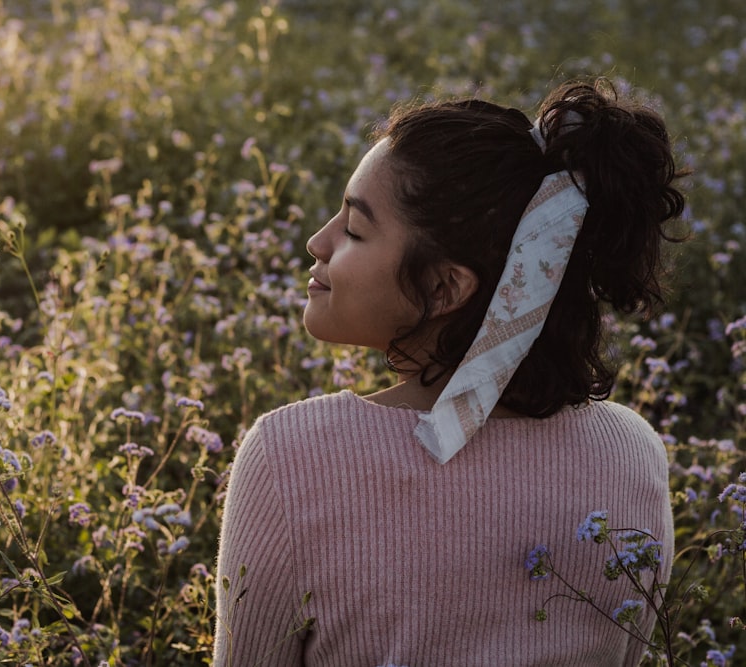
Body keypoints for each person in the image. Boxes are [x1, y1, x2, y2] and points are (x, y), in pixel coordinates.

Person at [213, 79, 685, 666]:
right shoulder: (632, 452)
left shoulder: (293, 458)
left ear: (444, 288)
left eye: (355, 229)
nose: (319, 242)